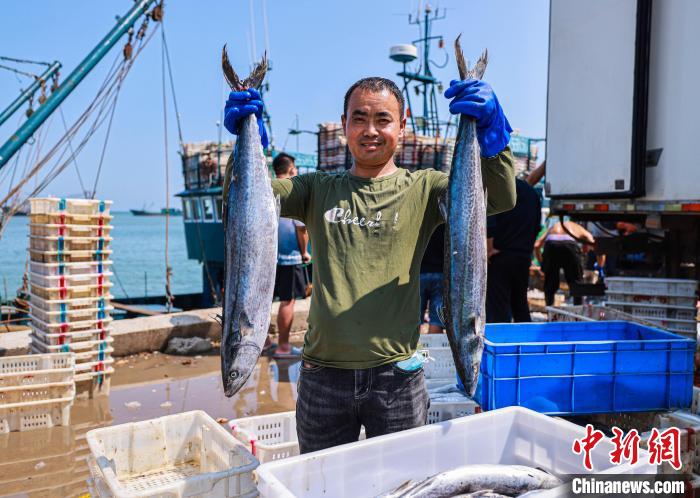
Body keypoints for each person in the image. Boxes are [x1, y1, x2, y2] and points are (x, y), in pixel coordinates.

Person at [223, 76, 516, 453]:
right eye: (359, 119)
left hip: (398, 379)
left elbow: (501, 198)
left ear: (402, 125)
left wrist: (494, 138)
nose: (370, 130)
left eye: (383, 119)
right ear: (344, 124)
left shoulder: (425, 188)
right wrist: (244, 146)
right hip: (322, 378)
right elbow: (239, 206)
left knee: (401, 486)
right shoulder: (315, 189)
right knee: (322, 484)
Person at [266, 153, 311, 359]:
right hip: (289, 258)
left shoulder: (267, 189)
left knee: (263, 302)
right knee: (287, 301)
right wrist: (304, 252)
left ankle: (264, 342)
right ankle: (283, 346)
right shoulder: (292, 190)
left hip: (267, 258)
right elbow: (301, 228)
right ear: (292, 169)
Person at [486, 178, 541, 323]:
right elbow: (536, 227)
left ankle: (501, 342)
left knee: (498, 305)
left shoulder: (498, 189)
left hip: (499, 256)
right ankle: (525, 342)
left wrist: (489, 250)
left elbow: (490, 224)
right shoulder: (532, 193)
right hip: (522, 256)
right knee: (520, 304)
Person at [534, 218, 595, 306]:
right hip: (569, 246)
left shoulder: (553, 227)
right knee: (576, 284)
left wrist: (542, 264)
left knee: (550, 285)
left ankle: (550, 310)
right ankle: (577, 311)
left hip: (552, 245)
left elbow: (536, 246)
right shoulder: (577, 227)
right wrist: (599, 262)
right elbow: (592, 241)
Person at [419, 225, 445, 334]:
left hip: (419, 273)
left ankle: (417, 349)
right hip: (441, 272)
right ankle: (436, 351)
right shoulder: (444, 222)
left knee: (415, 319)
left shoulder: (419, 222)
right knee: (436, 319)